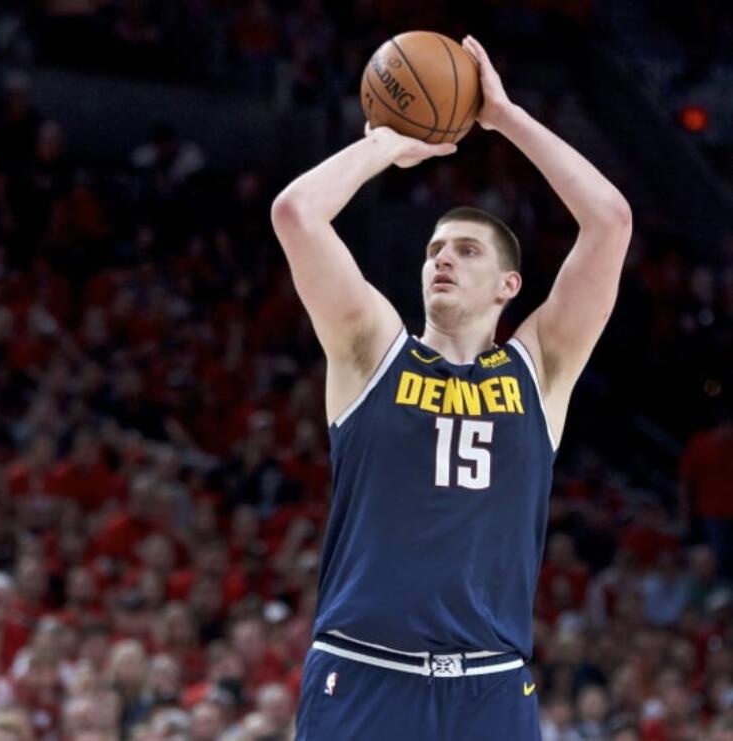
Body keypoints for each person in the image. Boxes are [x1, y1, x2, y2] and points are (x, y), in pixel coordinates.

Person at [271, 36, 632, 740]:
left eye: (466, 251)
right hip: (363, 670)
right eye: (434, 250)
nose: (442, 260)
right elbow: (297, 213)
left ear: (509, 286)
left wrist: (504, 117)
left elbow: (610, 221)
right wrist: (388, 142)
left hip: (490, 685)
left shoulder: (541, 368)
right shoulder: (371, 348)